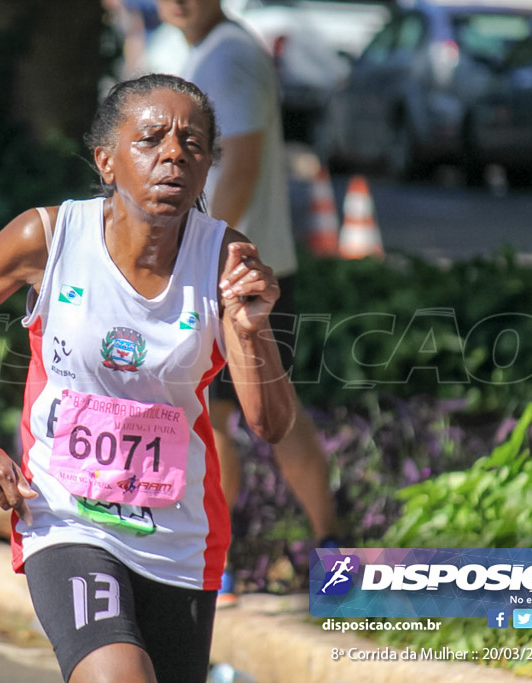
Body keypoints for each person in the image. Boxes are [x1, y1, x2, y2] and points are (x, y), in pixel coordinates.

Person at [0, 73, 297, 683]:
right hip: (64, 515)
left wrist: (252, 330)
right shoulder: (50, 237)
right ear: (107, 161)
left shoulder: (225, 259)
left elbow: (270, 424)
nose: (174, 154)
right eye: (151, 139)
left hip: (178, 534)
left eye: (193, 144)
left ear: (206, 169)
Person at [157, 0, 342, 604]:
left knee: (258, 417)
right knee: (223, 418)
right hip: (235, 267)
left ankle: (325, 558)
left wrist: (195, 254)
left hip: (233, 273)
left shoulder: (230, 57)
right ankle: (239, 564)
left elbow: (240, 164)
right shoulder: (214, 52)